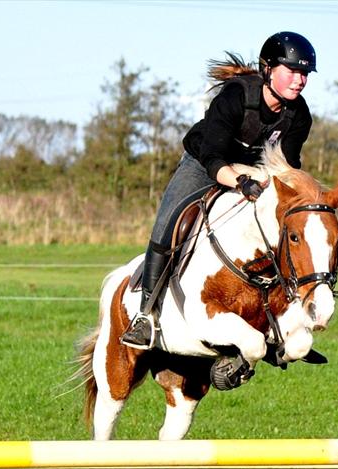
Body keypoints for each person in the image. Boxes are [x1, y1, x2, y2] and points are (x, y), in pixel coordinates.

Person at [120, 31, 317, 350]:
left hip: (255, 172)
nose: (300, 80)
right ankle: (146, 315)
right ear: (268, 69)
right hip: (204, 164)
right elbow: (213, 157)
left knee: (284, 229)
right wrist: (239, 181)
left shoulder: (299, 115)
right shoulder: (236, 96)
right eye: (292, 71)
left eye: (305, 73)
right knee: (171, 221)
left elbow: (287, 167)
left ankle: (286, 321)